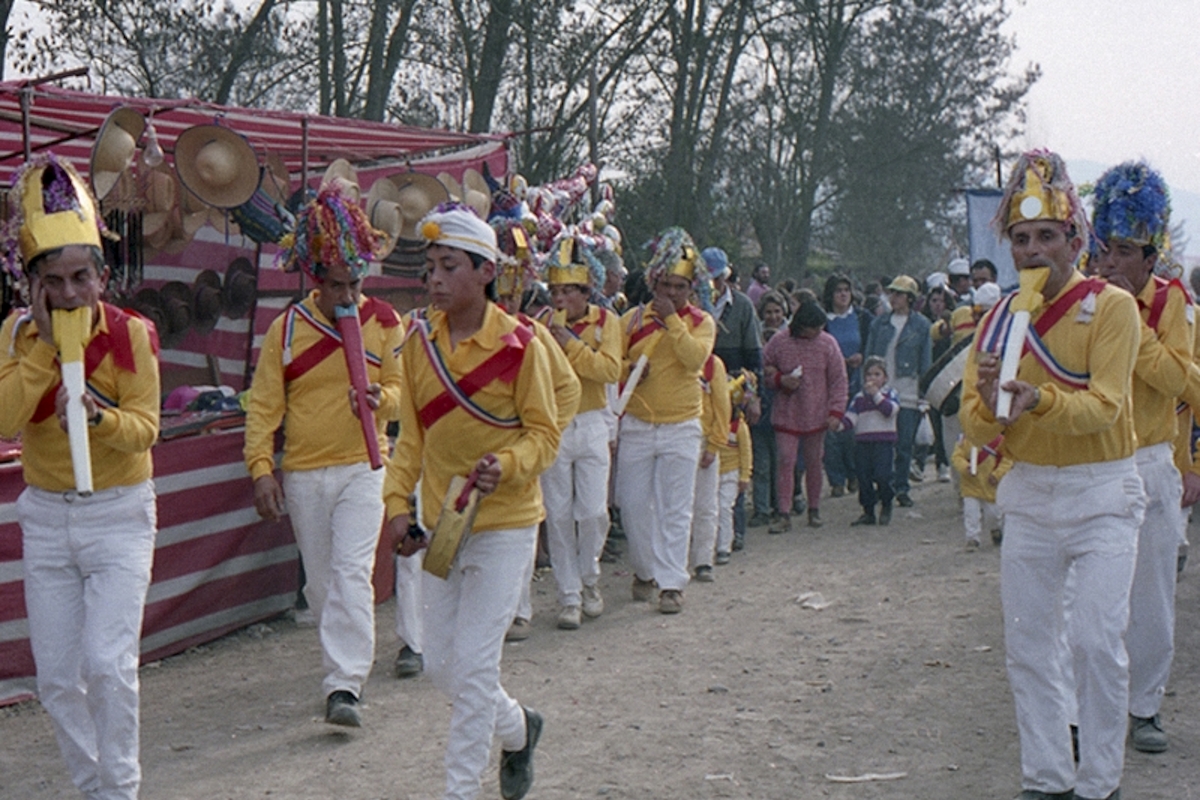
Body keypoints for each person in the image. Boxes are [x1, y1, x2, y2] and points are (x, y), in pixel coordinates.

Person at [961, 149, 1144, 800]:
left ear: (1074, 238)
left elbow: (1107, 408)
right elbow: (978, 430)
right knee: (1030, 646)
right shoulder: (994, 320)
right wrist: (987, 400)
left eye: (1046, 237)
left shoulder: (1113, 308)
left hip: (1102, 491)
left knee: (1097, 640)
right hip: (1031, 491)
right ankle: (1046, 776)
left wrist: (1038, 400)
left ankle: (1100, 781)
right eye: (1021, 239)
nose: (1034, 251)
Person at [384, 203, 559, 800]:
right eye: (430, 266)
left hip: (506, 523)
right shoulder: (416, 346)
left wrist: (506, 466)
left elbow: (545, 433)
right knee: (442, 670)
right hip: (441, 526)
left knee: (477, 668)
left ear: (485, 272)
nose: (434, 278)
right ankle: (520, 729)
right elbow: (409, 440)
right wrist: (397, 509)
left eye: (448, 266)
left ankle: (459, 791)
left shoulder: (521, 346)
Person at [1, 156, 160, 800]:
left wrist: (100, 419)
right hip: (44, 517)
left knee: (108, 665)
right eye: (55, 281)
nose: (69, 295)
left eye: (81, 279)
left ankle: (120, 789)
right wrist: (42, 346)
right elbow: (7, 418)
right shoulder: (15, 338)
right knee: (58, 679)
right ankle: (95, 786)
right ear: (32, 285)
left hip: (120, 514)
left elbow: (147, 428)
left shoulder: (131, 336)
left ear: (102, 276)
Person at [244, 185, 401, 727]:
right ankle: (339, 663)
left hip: (365, 463)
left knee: (353, 572)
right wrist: (261, 467)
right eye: (337, 285)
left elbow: (404, 389)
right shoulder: (285, 330)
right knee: (320, 584)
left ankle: (345, 686)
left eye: (356, 284)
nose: (348, 295)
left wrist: (385, 400)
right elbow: (264, 406)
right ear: (316, 279)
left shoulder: (384, 322)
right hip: (306, 472)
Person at [1090, 161, 1190, 755]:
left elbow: (1179, 378)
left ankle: (1145, 706)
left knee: (1151, 595)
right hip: (1096, 461)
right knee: (1094, 599)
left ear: (1150, 257)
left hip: (1152, 458)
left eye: (1124, 250)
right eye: (1105, 249)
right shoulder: (1084, 296)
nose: (1110, 262)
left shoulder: (1171, 301)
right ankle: (1093, 706)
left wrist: (1134, 324)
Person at [617, 227, 715, 614]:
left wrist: (673, 321)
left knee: (677, 507)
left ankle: (672, 583)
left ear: (691, 287)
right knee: (633, 506)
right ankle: (645, 570)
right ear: (654, 282)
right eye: (666, 284)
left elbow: (695, 360)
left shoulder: (701, 322)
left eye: (681, 286)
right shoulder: (629, 320)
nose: (672, 292)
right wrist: (629, 370)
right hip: (638, 424)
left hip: (682, 425)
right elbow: (615, 365)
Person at [541, 228, 621, 630]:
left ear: (585, 291)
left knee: (592, 512)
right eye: (554, 291)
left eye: (568, 291)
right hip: (554, 423)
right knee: (556, 514)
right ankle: (568, 594)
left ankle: (590, 577)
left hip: (591, 420)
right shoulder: (540, 325)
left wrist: (570, 344)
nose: (558, 299)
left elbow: (609, 370)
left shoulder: (608, 321)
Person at [763, 299, 848, 530]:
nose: (819, 331)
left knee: (813, 462)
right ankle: (783, 513)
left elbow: (839, 380)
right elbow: (764, 370)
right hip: (786, 412)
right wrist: (781, 380)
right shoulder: (779, 342)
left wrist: (836, 411)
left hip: (816, 413)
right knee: (786, 461)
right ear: (802, 325)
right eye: (814, 327)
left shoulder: (828, 344)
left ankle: (814, 509)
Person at [702, 247, 762, 552]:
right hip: (698, 389)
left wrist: (752, 397)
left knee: (732, 451)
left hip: (734, 387)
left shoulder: (742, 307)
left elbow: (754, 355)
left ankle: (733, 530)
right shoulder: (694, 308)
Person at [865, 275, 931, 508]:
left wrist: (924, 393)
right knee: (880, 441)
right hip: (882, 387)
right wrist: (869, 382)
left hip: (908, 387)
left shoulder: (922, 325)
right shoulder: (879, 323)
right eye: (893, 293)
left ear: (910, 298)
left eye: (899, 294)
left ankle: (901, 487)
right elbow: (870, 355)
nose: (894, 298)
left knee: (904, 443)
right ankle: (882, 486)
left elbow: (925, 361)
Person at [821, 273, 870, 498]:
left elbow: (871, 345)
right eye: (838, 290)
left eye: (846, 290)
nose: (842, 294)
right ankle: (836, 479)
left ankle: (855, 474)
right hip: (829, 384)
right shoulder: (823, 321)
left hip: (858, 381)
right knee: (831, 434)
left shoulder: (861, 318)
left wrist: (863, 357)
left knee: (853, 433)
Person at [688, 353, 732, 582]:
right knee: (670, 506)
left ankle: (703, 560)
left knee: (706, 505)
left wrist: (714, 444)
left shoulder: (712, 365)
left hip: (704, 440)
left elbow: (722, 405)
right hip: (677, 437)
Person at [841, 356, 898, 526]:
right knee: (863, 478)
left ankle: (887, 503)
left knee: (883, 476)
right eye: (869, 374)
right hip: (863, 442)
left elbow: (890, 411)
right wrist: (836, 425)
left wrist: (876, 396)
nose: (872, 378)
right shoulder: (859, 398)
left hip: (883, 442)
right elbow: (850, 419)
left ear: (885, 377)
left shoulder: (890, 394)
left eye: (877, 374)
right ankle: (868, 511)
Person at [749, 291, 789, 529]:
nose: (773, 316)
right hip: (761, 407)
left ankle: (780, 504)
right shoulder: (755, 335)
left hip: (783, 408)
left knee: (782, 460)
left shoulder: (791, 338)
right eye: (769, 312)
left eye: (777, 312)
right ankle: (762, 508)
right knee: (761, 463)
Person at [716, 370, 755, 564]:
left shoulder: (739, 427)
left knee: (724, 508)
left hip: (731, 473)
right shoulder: (712, 423)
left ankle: (724, 547)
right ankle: (714, 543)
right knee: (710, 510)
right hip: (711, 471)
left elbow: (746, 452)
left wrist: (744, 476)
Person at [950, 434, 1010, 550]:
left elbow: (1006, 461)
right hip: (970, 485)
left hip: (990, 486)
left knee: (993, 514)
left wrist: (997, 475)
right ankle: (972, 538)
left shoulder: (1000, 441)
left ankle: (995, 528)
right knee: (970, 513)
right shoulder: (965, 440)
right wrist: (965, 467)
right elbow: (957, 457)